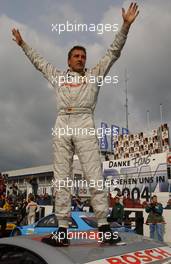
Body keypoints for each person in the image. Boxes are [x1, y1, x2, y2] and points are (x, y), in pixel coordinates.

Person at [12, 3, 139, 246]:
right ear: (69, 60)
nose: (81, 59)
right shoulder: (58, 76)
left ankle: (103, 226)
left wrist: (125, 26)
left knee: (94, 175)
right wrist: (23, 45)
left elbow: (113, 51)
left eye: (83, 57)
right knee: (61, 179)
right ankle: (62, 230)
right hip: (62, 122)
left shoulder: (94, 74)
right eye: (76, 56)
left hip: (83, 120)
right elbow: (39, 62)